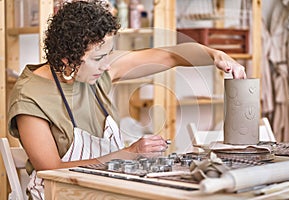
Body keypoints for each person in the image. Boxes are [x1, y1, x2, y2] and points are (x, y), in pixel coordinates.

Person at [7, 1, 246, 199]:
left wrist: (216, 54)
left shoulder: (97, 72)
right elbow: (51, 169)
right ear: (68, 59)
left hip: (104, 190)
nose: (108, 65)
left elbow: (170, 55)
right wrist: (129, 153)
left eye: (109, 54)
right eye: (99, 58)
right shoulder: (30, 96)